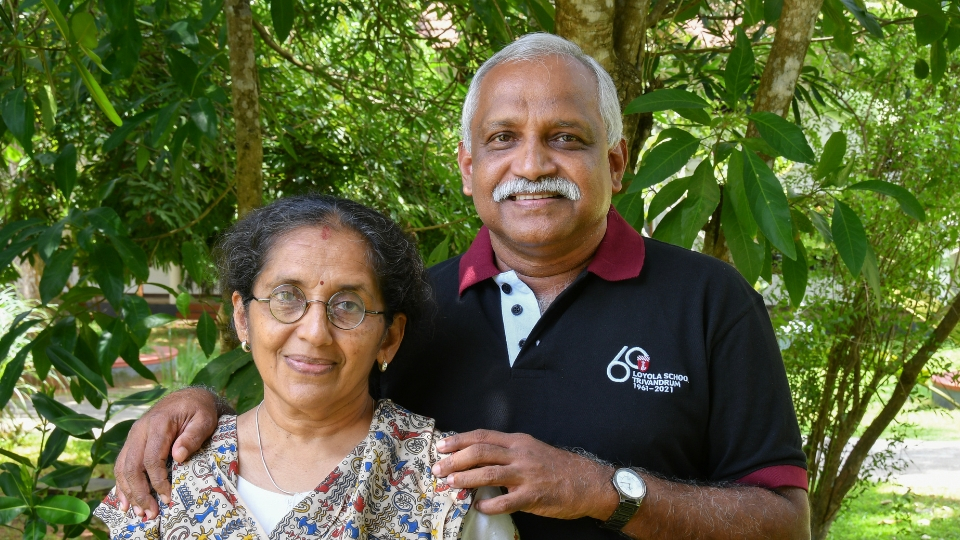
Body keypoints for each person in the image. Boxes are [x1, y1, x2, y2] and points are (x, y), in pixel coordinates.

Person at [113, 34, 810, 539]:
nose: (532, 163)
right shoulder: (410, 310)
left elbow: (784, 524)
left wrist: (604, 491)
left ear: (618, 161)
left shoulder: (710, 301)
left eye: (566, 137)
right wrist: (200, 407)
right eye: (503, 138)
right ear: (468, 165)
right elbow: (310, 398)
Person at [95, 196, 518, 540]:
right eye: (286, 297)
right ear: (243, 317)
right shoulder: (167, 468)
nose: (315, 332)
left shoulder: (448, 484)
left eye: (348, 305)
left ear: (389, 336)